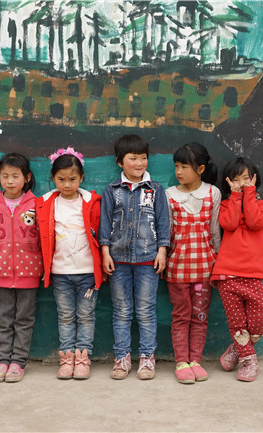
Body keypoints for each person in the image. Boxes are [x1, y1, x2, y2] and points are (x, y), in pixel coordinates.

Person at [98, 134, 171, 380]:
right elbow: (104, 224)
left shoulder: (155, 190)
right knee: (121, 310)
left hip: (148, 260)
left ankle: (147, 358)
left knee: (146, 310)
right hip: (118, 260)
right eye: (133, 158)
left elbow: (163, 222)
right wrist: (105, 252)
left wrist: (162, 251)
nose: (139, 163)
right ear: (120, 161)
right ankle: (122, 357)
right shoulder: (112, 191)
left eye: (143, 158)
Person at [36, 147, 102, 380]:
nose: (67, 184)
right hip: (60, 273)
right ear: (53, 178)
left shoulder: (92, 202)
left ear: (81, 178)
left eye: (72, 179)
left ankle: (83, 359)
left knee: (86, 316)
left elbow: (100, 235)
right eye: (61, 179)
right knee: (65, 316)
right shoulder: (46, 204)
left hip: (87, 273)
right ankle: (66, 359)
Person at [0, 153, 43, 383]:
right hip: (1, 275)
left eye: (15, 176)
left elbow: (44, 238)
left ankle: (18, 362)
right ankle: (3, 361)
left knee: (24, 320)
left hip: (29, 274)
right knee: (4, 321)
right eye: (5, 176)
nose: (10, 181)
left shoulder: (36, 205)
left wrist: (41, 266)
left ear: (27, 178)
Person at [211, 157, 263, 382]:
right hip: (227, 273)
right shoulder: (226, 206)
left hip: (253, 274)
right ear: (228, 182)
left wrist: (248, 194)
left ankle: (237, 350)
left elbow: (255, 222)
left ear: (255, 180)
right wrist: (236, 195)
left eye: (246, 179)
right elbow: (229, 224)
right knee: (237, 324)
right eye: (236, 180)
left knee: (260, 321)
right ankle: (248, 360)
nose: (242, 183)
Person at [165, 143, 221, 384]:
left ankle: (195, 360)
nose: (179, 171)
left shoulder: (212, 193)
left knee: (200, 316)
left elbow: (215, 232)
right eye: (176, 166)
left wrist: (219, 263)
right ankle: (181, 362)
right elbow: (166, 233)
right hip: (177, 270)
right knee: (181, 316)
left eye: (184, 167)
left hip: (205, 269)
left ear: (200, 169)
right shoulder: (169, 194)